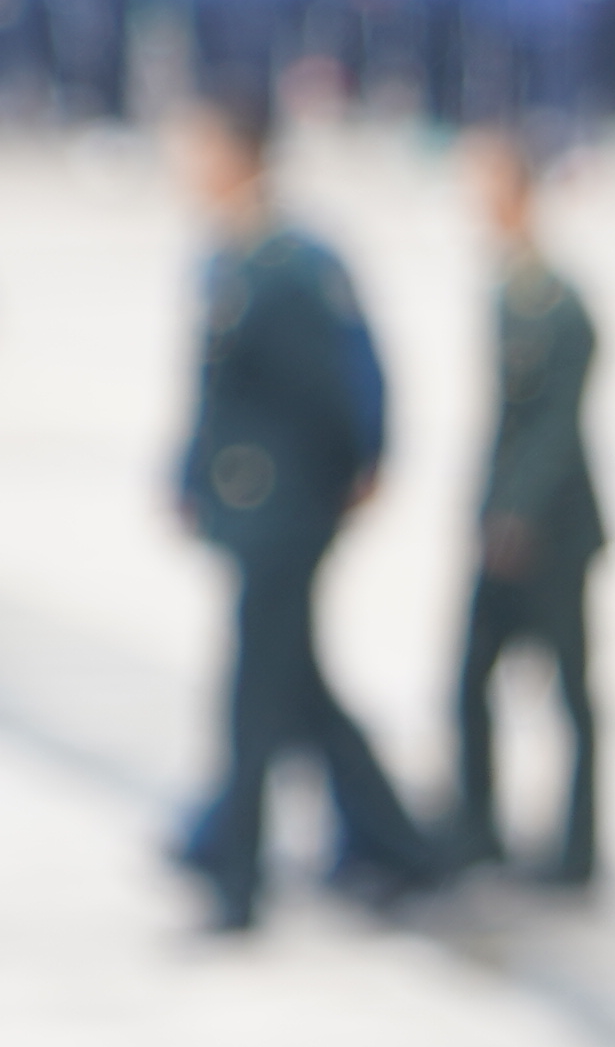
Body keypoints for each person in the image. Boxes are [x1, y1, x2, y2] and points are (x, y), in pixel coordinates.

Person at [166, 86, 440, 937]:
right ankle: (393, 843)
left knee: (257, 692)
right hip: (248, 503)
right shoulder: (227, 255)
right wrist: (188, 475)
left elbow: (342, 382)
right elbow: (213, 395)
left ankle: (233, 872)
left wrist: (362, 464)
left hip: (288, 510)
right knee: (297, 684)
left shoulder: (292, 265)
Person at [443, 125, 603, 891]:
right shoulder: (507, 287)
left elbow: (555, 426)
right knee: (471, 680)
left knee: (570, 688)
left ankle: (580, 846)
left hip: (551, 529)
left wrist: (516, 512)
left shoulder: (556, 303)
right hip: (503, 518)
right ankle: (476, 824)